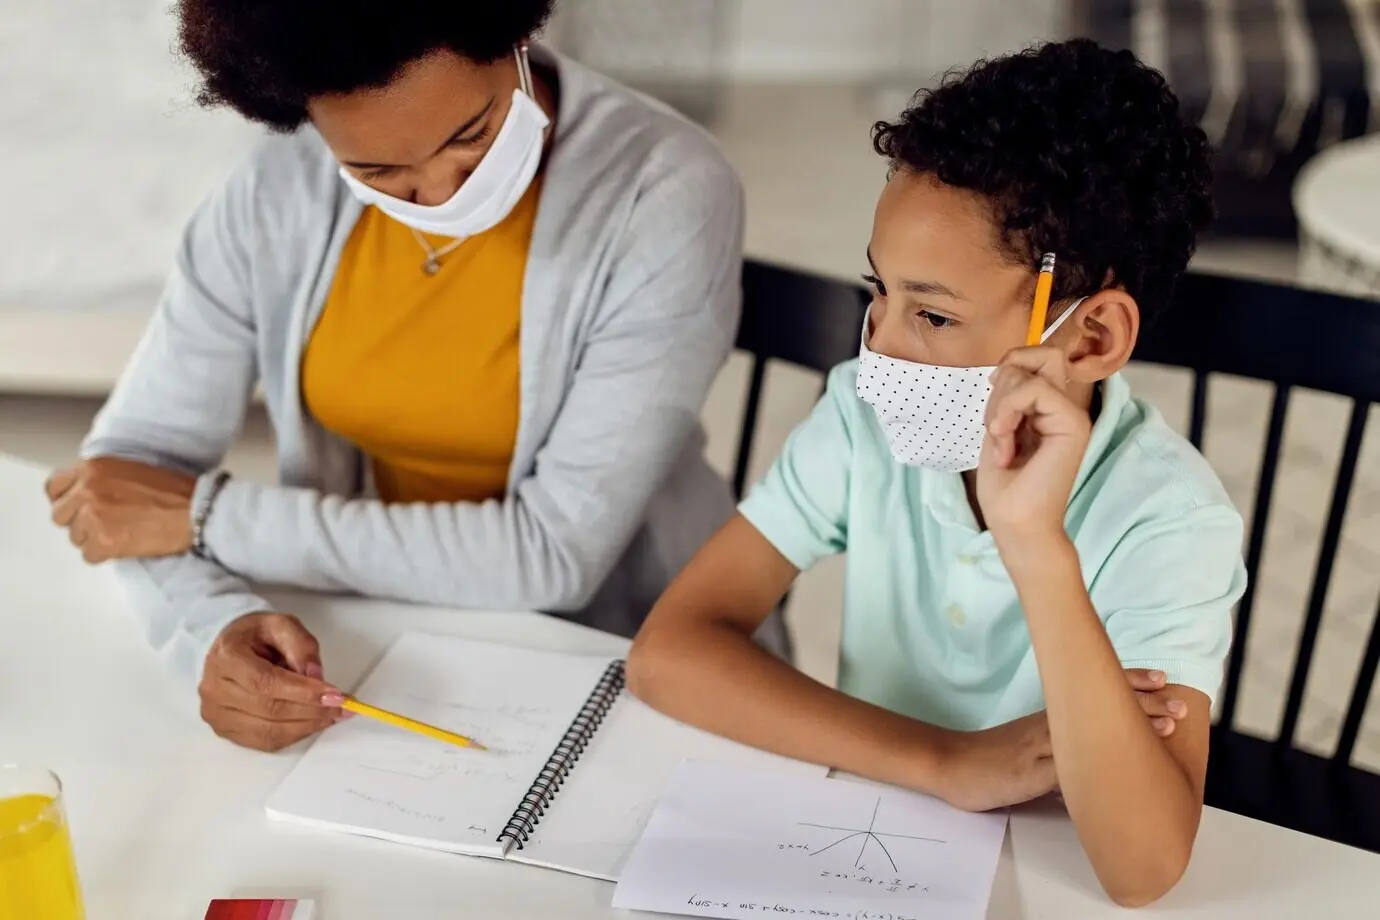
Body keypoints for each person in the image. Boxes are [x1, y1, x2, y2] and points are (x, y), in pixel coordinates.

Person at [44, 0, 778, 752]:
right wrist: (212, 626)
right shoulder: (274, 193)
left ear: (518, 37)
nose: (444, 192)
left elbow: (555, 556)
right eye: (378, 170)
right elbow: (125, 483)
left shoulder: (666, 189)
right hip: (386, 636)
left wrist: (212, 520)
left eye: (473, 134)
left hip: (632, 654)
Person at [627, 39, 1244, 907]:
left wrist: (1035, 544)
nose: (877, 344)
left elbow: (1141, 869)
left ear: (1091, 335)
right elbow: (667, 656)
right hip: (867, 831)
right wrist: (945, 760)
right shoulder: (860, 417)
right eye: (878, 291)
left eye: (933, 314)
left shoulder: (1172, 521)